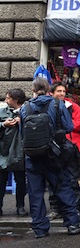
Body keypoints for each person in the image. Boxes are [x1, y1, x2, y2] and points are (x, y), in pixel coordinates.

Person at [21, 78, 80, 237]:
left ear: (33, 89)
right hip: (53, 154)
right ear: (49, 89)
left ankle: (39, 229)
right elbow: (69, 127)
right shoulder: (57, 105)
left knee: (35, 193)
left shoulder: (25, 107)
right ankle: (72, 224)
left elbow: (22, 132)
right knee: (63, 188)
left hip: (32, 156)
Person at [48, 82, 80, 218]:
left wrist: (64, 126)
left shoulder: (73, 106)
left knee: (72, 179)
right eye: (58, 91)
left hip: (70, 147)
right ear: (51, 93)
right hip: (53, 148)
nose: (61, 93)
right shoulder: (47, 107)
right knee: (53, 180)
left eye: (63, 91)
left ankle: (75, 207)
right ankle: (56, 208)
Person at [0, 89, 28, 217]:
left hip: (19, 152)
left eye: (8, 98)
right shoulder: (2, 112)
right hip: (3, 152)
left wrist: (21, 122)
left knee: (20, 181)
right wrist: (3, 125)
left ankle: (20, 206)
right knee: (1, 181)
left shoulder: (26, 112)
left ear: (16, 100)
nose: (6, 100)